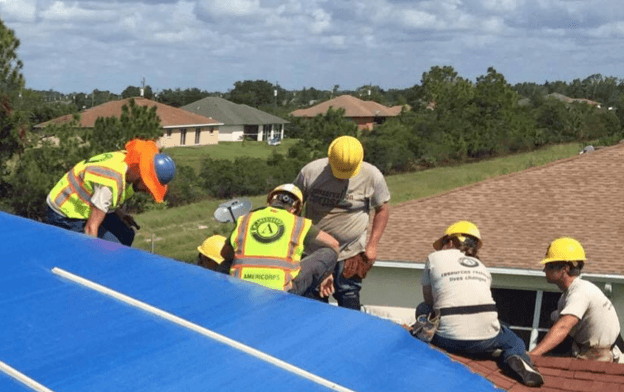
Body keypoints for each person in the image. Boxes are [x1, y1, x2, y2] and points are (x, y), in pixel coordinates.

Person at [415, 221, 544, 387]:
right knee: (513, 339)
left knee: (423, 309)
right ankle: (514, 357)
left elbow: (429, 300)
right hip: (486, 340)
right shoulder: (482, 267)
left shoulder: (434, 257)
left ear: (451, 242)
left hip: (449, 339)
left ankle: (422, 342)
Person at [293, 135, 390, 310]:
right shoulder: (310, 173)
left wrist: (373, 245)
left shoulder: (371, 175)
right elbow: (294, 206)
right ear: (330, 159)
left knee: (349, 296)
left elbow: (382, 209)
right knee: (314, 300)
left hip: (350, 252)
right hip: (314, 251)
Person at [217, 184, 340, 297]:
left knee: (226, 263)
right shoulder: (299, 223)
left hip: (241, 286)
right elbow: (334, 244)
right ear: (295, 208)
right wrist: (327, 273)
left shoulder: (245, 219)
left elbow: (224, 253)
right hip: (282, 291)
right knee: (328, 253)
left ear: (269, 201)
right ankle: (302, 302)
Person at [46, 139, 175, 246]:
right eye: (148, 186)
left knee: (126, 235)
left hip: (85, 205)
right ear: (140, 173)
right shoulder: (110, 182)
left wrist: (120, 214)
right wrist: (95, 262)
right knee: (110, 249)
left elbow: (109, 197)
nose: (147, 191)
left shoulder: (124, 160)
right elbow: (90, 229)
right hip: (66, 214)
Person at [530, 237, 622, 362]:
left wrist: (533, 355)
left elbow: (563, 327)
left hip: (602, 360)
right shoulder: (567, 296)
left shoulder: (581, 292)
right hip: (586, 354)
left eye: (549, 265)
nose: (544, 269)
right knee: (554, 316)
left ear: (565, 269)